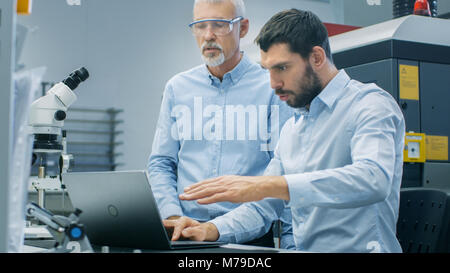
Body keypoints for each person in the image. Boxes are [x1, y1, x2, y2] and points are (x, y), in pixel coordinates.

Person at [165, 9, 406, 253]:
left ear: (317, 58)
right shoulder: (294, 126)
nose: (273, 83)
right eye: (268, 69)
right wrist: (208, 230)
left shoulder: (370, 105)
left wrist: (267, 185)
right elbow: (264, 206)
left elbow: (373, 179)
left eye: (281, 68)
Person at [147, 0, 294, 247]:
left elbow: (281, 175)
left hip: (249, 239)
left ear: (243, 28)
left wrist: (290, 243)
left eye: (219, 25)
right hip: (184, 234)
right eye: (200, 26)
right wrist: (172, 217)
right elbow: (162, 163)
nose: (208, 36)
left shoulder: (271, 87)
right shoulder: (177, 88)